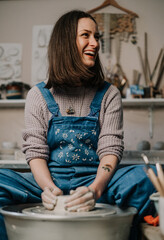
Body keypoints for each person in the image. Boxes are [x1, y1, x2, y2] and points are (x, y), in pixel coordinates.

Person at [0, 10, 156, 240]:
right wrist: (48, 189)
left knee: (147, 177)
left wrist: (95, 189)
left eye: (97, 37)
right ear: (65, 43)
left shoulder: (109, 94)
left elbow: (111, 149)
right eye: (86, 35)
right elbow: (35, 151)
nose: (95, 43)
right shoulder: (38, 95)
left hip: (94, 182)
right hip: (47, 182)